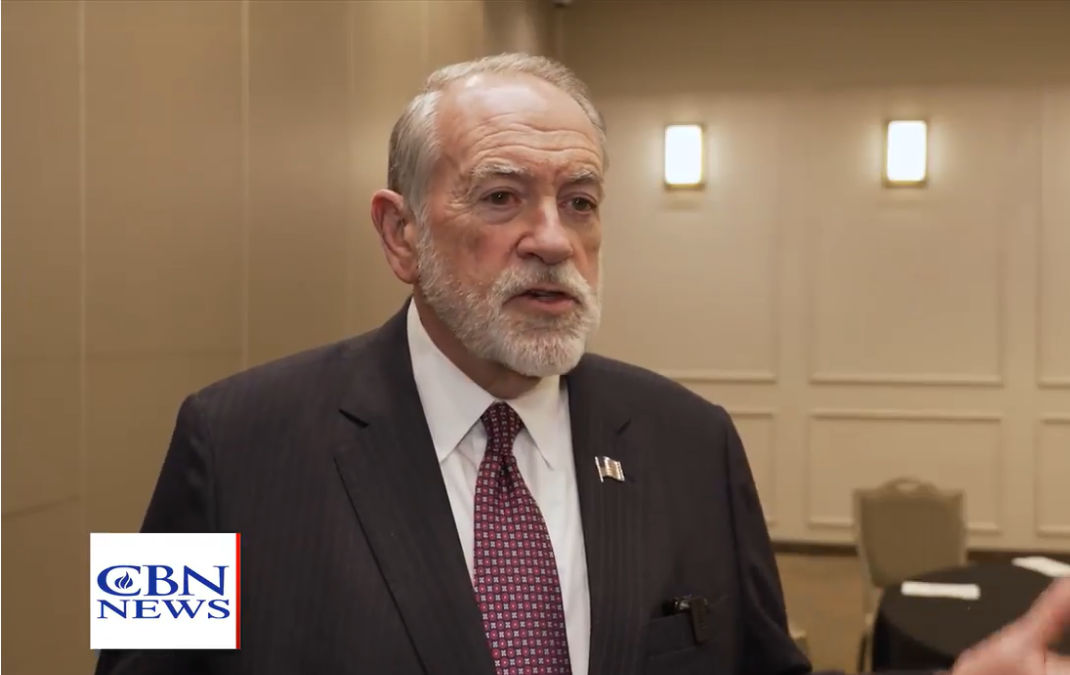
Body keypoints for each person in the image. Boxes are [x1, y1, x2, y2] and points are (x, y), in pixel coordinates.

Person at [96, 53, 1070, 675]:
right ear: (400, 235)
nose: (553, 239)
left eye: (581, 201)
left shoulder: (694, 443)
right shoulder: (222, 438)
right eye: (500, 196)